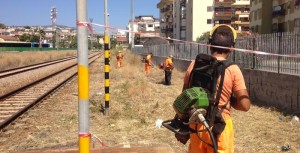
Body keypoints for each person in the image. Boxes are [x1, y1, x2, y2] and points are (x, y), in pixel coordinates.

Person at [181, 25, 251, 153]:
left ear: (210, 45)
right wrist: (229, 100)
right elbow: (245, 105)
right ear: (231, 48)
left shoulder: (194, 65)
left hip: (196, 126)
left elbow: (185, 96)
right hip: (220, 128)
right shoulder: (233, 69)